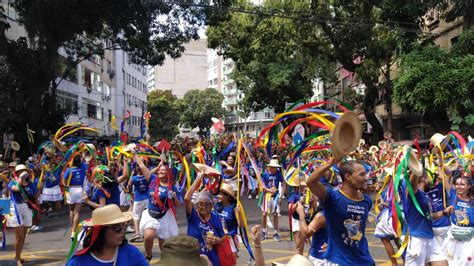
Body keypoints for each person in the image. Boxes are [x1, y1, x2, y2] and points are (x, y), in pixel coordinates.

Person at [306, 158, 375, 265]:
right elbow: (311, 182)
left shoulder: (366, 201)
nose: (366, 178)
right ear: (348, 177)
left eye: (365, 174)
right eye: (361, 175)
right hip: (339, 261)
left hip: (364, 260)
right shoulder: (333, 197)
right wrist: (329, 163)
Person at [66, 204, 148, 266]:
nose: (122, 231)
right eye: (117, 228)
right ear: (101, 231)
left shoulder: (131, 253)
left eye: (124, 226)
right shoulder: (78, 261)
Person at [135, 155, 180, 261]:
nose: (160, 171)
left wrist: (174, 197)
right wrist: (134, 154)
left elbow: (179, 205)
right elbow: (141, 165)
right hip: (151, 213)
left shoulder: (172, 187)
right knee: (148, 236)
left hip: (165, 216)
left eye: (163, 170)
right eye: (159, 170)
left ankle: (165, 261)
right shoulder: (152, 179)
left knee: (163, 246)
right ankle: (148, 256)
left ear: (168, 172)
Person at [402, 170, 449, 266]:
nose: (430, 181)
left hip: (430, 237)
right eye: (428, 178)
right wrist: (416, 170)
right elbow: (412, 184)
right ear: (423, 178)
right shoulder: (414, 193)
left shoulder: (424, 195)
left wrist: (444, 212)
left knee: (443, 263)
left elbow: (430, 216)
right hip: (417, 238)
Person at [184, 170, 225, 266]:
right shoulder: (193, 215)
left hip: (212, 257)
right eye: (200, 204)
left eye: (207, 204)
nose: (203, 207)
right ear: (196, 205)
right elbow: (186, 198)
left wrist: (217, 240)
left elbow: (223, 236)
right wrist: (200, 177)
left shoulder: (215, 218)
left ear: (211, 206)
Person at [7, 164, 40, 266]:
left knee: (24, 234)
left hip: (27, 208)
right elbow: (16, 189)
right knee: (19, 236)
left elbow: (36, 194)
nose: (23, 172)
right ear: (17, 173)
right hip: (15, 208)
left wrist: (37, 190)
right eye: (20, 171)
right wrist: (20, 178)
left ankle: (19, 256)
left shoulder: (30, 184)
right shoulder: (13, 183)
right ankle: (17, 259)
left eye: (24, 171)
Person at [442, 176, 473, 264]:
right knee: (450, 262)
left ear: (469, 186)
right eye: (457, 184)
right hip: (454, 238)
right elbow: (443, 174)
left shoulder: (473, 201)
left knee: (466, 262)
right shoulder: (452, 196)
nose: (459, 186)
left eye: (462, 184)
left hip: (469, 240)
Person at [214, 183, 244, 259]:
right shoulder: (217, 205)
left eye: (221, 194)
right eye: (219, 194)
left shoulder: (234, 207)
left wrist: (239, 213)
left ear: (227, 196)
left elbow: (241, 225)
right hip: (218, 238)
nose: (219, 196)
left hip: (230, 239)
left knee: (231, 261)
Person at [295, 200, 327, 265]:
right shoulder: (338, 213)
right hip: (332, 256)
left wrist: (301, 214)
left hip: (319, 258)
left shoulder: (321, 216)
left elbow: (306, 233)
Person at [62, 155, 86, 239]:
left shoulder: (69, 170)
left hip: (71, 190)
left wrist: (66, 188)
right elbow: (83, 161)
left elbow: (64, 181)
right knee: (77, 212)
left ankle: (73, 229)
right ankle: (74, 231)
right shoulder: (82, 168)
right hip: (79, 189)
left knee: (71, 210)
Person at [261, 159, 285, 242]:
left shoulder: (278, 174)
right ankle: (264, 232)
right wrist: (268, 190)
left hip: (275, 196)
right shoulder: (265, 174)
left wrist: (281, 195)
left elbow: (283, 184)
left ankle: (275, 233)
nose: (273, 169)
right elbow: (262, 185)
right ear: (269, 167)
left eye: (275, 167)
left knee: (275, 214)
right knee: (264, 214)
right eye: (272, 167)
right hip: (266, 196)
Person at [127, 160, 149, 242]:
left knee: (136, 216)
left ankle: (137, 233)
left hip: (138, 200)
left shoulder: (134, 178)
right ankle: (146, 232)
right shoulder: (147, 176)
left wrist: (132, 174)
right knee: (146, 215)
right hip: (147, 199)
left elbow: (128, 185)